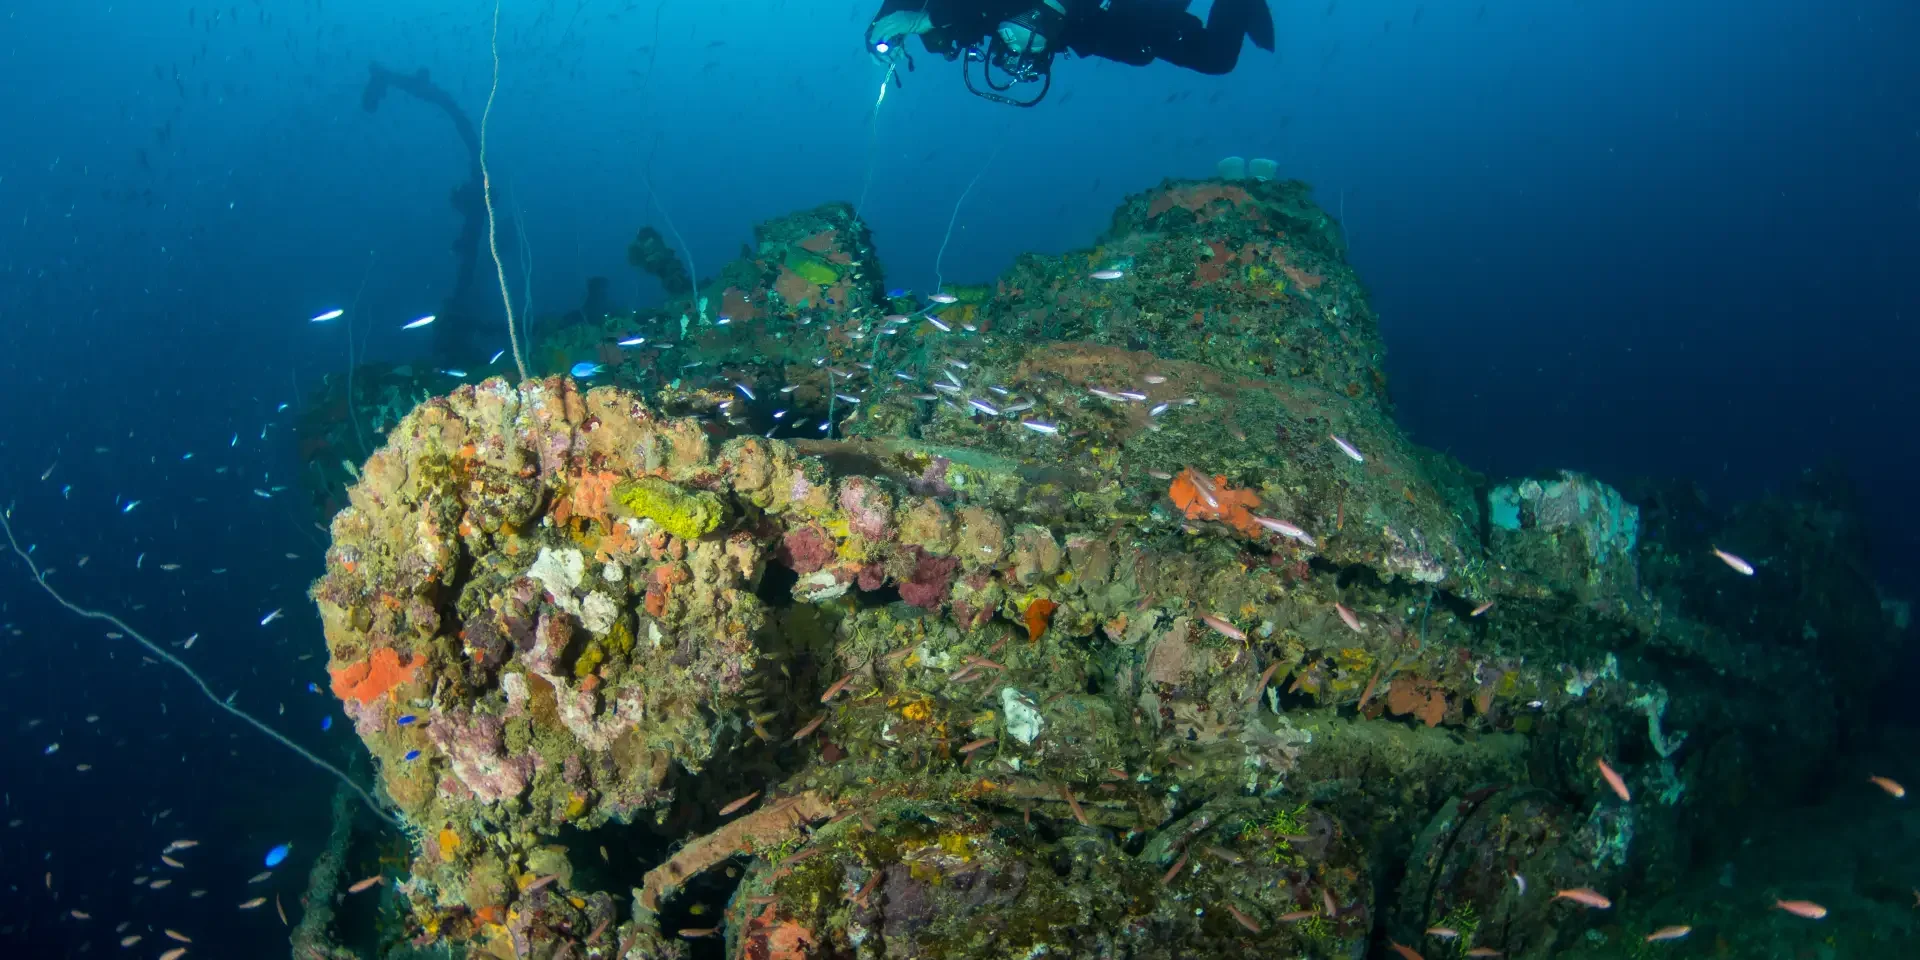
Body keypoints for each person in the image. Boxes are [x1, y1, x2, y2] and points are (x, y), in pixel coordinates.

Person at [867, 0, 1273, 105]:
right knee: (1216, 58)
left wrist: (926, 18)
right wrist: (882, 29)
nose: (1019, 46)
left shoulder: (972, 11)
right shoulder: (1088, 28)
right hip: (1093, 20)